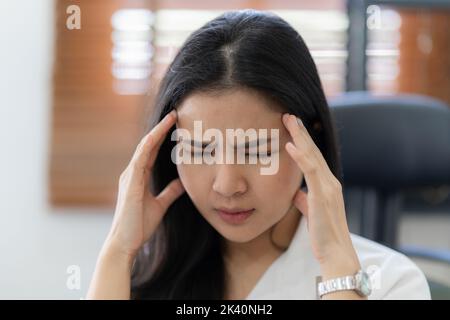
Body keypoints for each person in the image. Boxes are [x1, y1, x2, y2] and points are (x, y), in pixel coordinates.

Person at [87, 10, 431, 300]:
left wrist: (338, 267)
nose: (227, 185)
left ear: (310, 141)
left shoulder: (392, 282)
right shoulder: (141, 276)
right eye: (199, 150)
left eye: (255, 151)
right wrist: (118, 251)